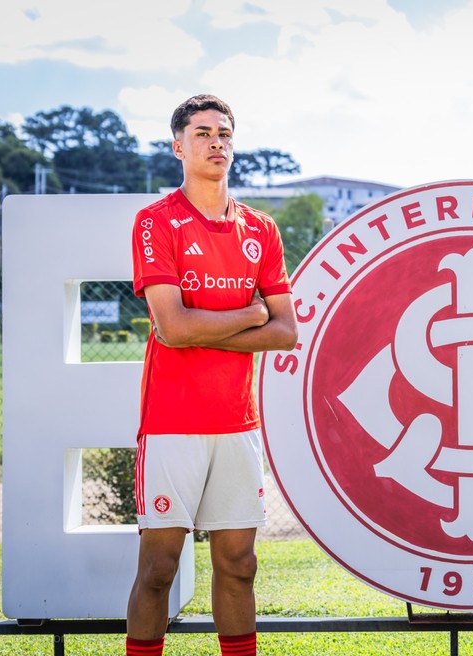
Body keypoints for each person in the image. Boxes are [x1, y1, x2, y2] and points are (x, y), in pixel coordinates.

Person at [127, 94, 297, 656]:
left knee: (239, 564)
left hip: (235, 423)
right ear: (179, 146)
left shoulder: (260, 229)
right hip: (172, 423)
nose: (215, 142)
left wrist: (210, 325)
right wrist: (249, 313)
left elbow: (285, 333)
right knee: (158, 568)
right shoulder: (157, 222)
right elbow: (172, 328)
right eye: (201, 133)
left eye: (224, 133)